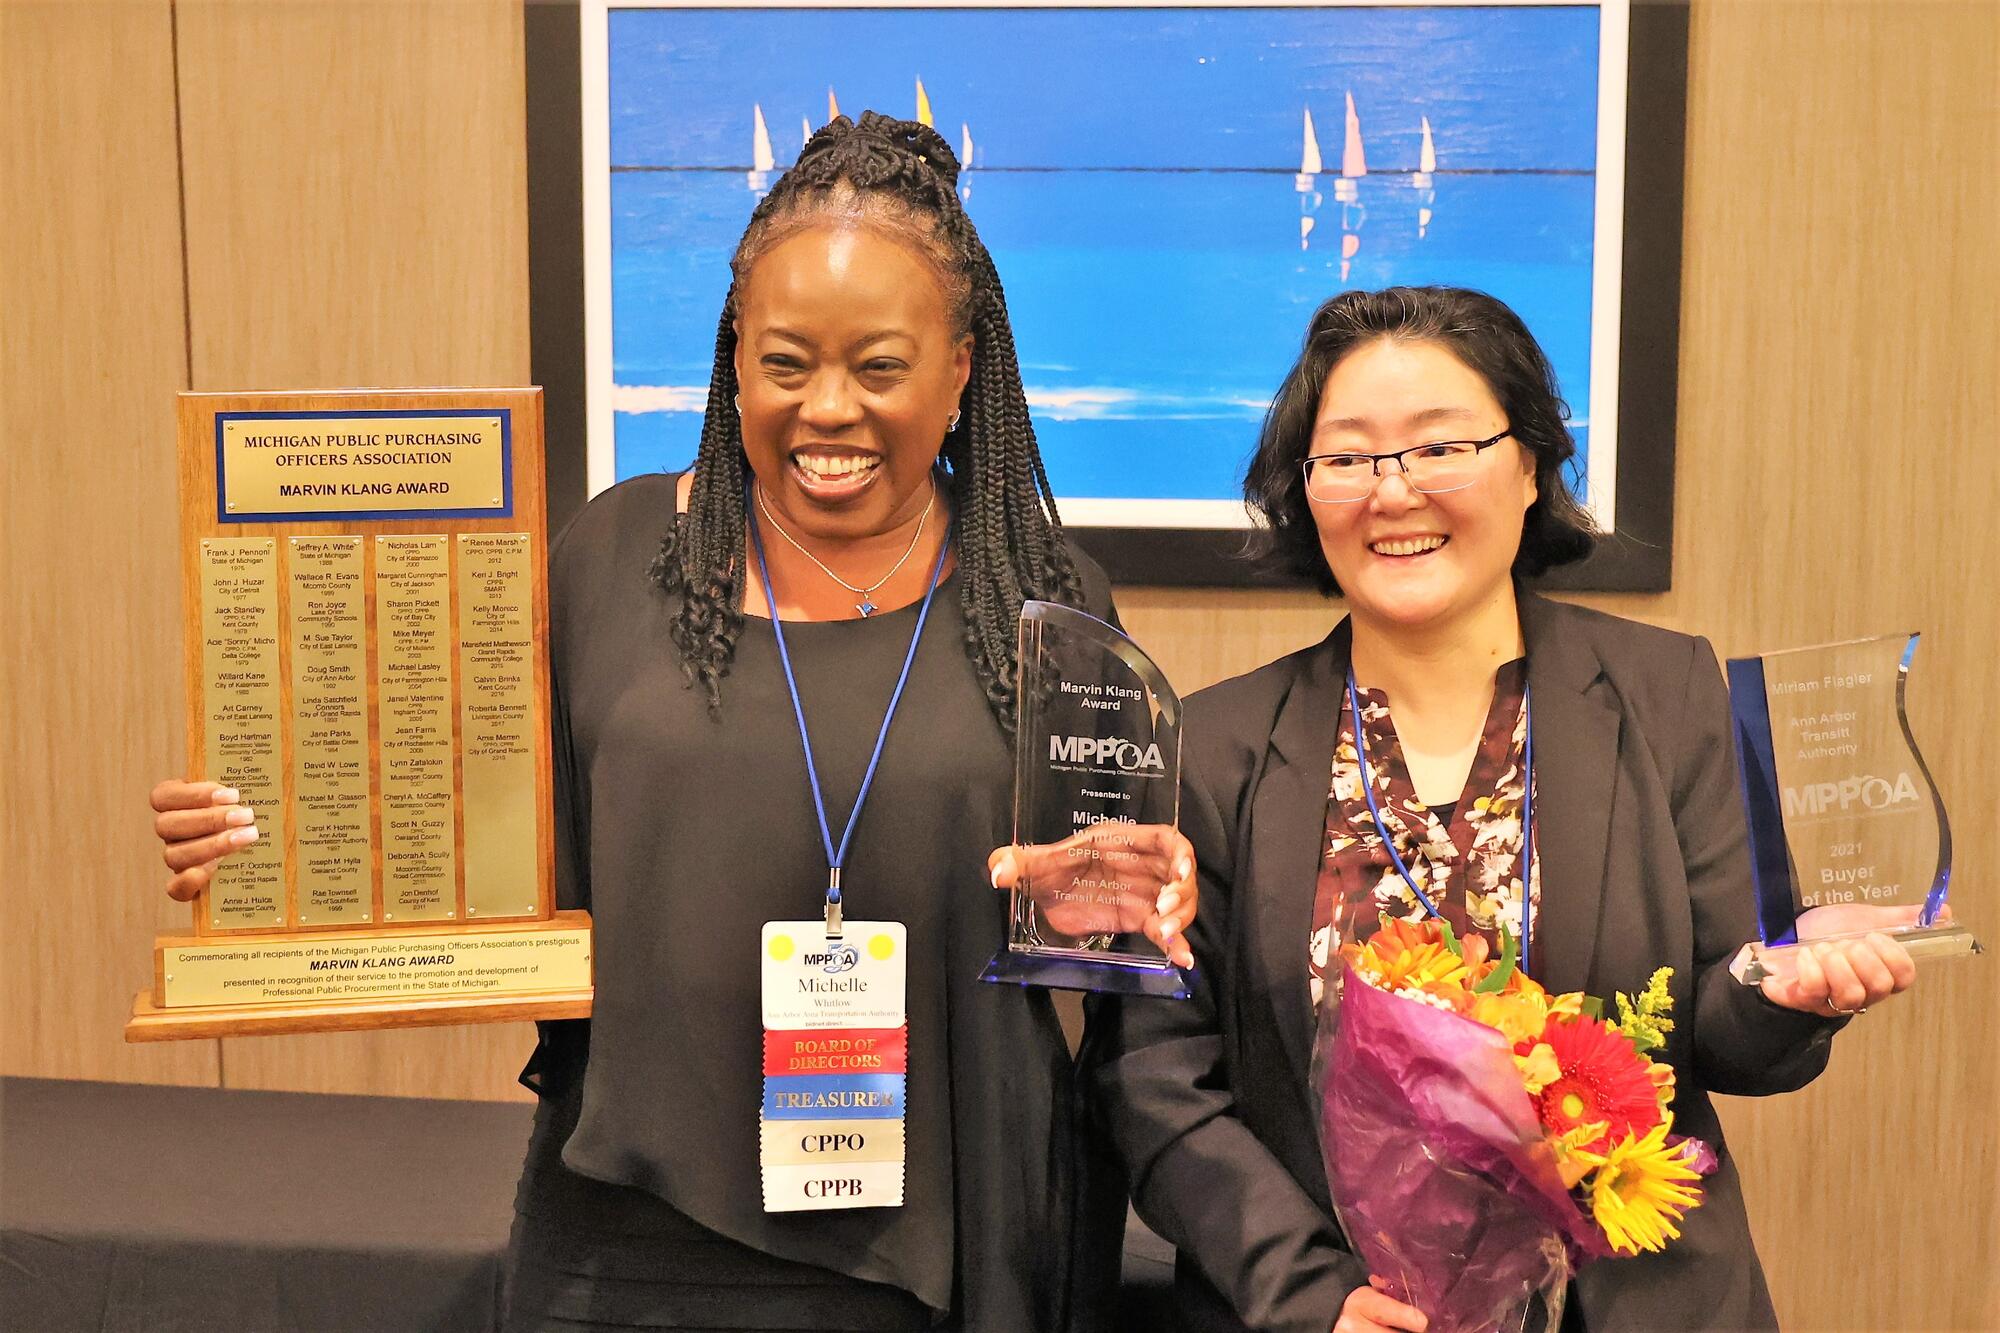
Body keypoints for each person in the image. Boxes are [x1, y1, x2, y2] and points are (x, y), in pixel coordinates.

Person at [148, 113, 1194, 1332]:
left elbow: (1093, 931)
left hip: (947, 1237)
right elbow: (468, 833)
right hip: (629, 1235)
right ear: (733, 357)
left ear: (961, 369)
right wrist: (266, 844)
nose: (828, 411)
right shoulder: (611, 555)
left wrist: (1131, 892)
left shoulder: (1047, 598)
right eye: (786, 363)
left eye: (879, 366)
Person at [1090, 286, 1921, 1333]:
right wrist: (1310, 1296)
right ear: (1303, 491)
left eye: (1440, 447)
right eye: (1345, 457)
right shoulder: (1211, 746)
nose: (1392, 491)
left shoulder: (1661, 694)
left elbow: (1727, 1036)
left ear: (1528, 463)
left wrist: (1785, 980)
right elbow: (1149, 1073)